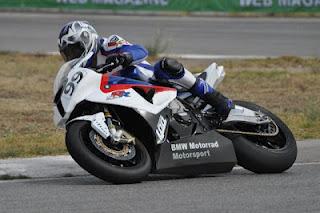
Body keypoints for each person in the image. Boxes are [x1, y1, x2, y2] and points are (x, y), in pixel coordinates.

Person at [58, 21, 234, 121]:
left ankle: (218, 100)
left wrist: (124, 56)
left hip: (152, 82)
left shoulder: (107, 44)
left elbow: (140, 50)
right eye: (69, 53)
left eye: (75, 49)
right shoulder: (85, 70)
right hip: (125, 97)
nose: (73, 55)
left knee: (165, 66)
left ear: (87, 40)